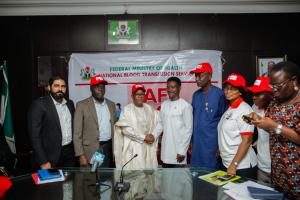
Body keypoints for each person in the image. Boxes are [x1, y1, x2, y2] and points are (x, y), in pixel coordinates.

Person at [246, 61, 300, 199]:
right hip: (278, 175)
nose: (274, 89)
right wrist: (258, 119)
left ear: (293, 80)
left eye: (277, 85)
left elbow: (275, 126)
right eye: (272, 85)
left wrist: (276, 127)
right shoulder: (276, 101)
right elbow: (270, 124)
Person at [28, 76, 75, 169]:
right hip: (50, 157)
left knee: (70, 182)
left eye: (63, 86)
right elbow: (34, 136)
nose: (60, 89)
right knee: (52, 184)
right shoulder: (39, 105)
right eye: (56, 86)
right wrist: (43, 161)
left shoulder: (70, 103)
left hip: (69, 154)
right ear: (49, 87)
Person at [218, 73, 257, 179]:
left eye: (232, 89)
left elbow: (247, 140)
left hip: (241, 166)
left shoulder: (244, 110)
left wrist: (234, 165)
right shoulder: (230, 108)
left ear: (240, 91)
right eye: (226, 88)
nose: (227, 91)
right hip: (228, 163)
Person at [189, 62, 227, 169]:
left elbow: (225, 121)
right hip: (197, 144)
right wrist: (191, 141)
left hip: (212, 145)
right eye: (196, 76)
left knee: (212, 178)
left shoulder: (219, 94)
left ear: (209, 76)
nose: (197, 79)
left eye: (200, 75)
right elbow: (193, 120)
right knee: (196, 176)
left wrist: (221, 146)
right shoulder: (196, 95)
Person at [114, 84, 161, 169]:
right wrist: (143, 137)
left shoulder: (150, 108)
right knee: (135, 176)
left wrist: (153, 135)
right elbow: (126, 130)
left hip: (148, 147)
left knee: (148, 175)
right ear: (132, 96)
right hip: (134, 148)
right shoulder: (127, 110)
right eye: (137, 94)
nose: (140, 97)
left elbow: (159, 123)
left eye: (142, 94)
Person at [73, 75, 116, 168]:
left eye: (102, 87)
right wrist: (80, 155)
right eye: (97, 86)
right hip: (92, 150)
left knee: (107, 177)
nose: (100, 89)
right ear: (91, 88)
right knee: (91, 178)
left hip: (108, 147)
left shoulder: (111, 105)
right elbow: (77, 133)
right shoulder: (82, 105)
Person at [155, 77, 193, 168]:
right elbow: (160, 124)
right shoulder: (164, 105)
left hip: (178, 153)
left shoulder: (185, 106)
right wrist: (153, 135)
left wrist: (182, 151)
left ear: (179, 88)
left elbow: (189, 130)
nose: (170, 90)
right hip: (165, 151)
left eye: (173, 87)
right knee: (167, 180)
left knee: (178, 181)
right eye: (168, 87)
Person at [246, 76, 273, 185]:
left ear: (270, 94)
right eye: (253, 93)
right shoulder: (255, 107)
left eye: (258, 94)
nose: (254, 97)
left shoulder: (280, 110)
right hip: (262, 165)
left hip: (279, 167)